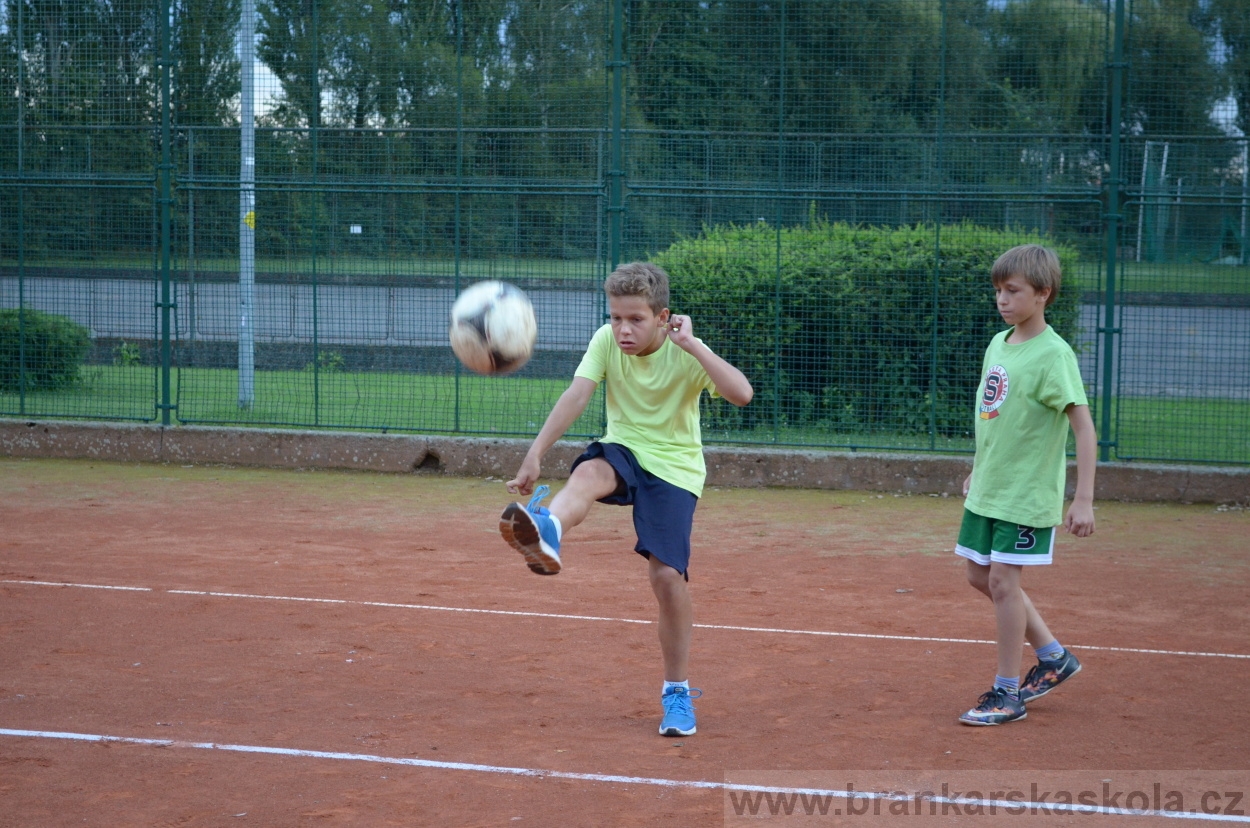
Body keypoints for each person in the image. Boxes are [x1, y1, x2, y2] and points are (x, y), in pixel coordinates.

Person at [499, 261, 753, 737]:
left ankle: (676, 692)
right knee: (592, 470)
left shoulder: (684, 350)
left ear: (663, 316)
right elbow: (577, 395)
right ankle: (548, 530)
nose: (622, 329)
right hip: (626, 449)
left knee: (666, 577)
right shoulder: (604, 340)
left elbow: (742, 394)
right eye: (616, 317)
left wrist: (692, 345)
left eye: (635, 319)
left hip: (676, 470)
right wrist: (535, 453)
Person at [955, 244, 1097, 726]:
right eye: (998, 290)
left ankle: (1007, 692)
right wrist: (979, 466)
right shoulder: (999, 343)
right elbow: (992, 416)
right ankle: (1054, 657)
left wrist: (1082, 498)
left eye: (1012, 291)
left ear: (1043, 294)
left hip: (1026, 493)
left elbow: (1084, 428)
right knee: (979, 576)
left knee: (1001, 581)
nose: (1002, 299)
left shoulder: (1055, 355)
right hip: (991, 486)